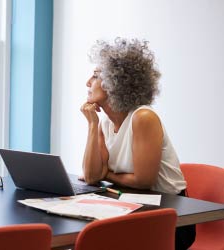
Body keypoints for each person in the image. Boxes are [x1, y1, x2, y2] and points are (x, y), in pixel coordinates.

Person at [80, 37, 195, 250]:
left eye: (95, 76)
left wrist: (106, 175)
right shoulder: (104, 122)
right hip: (132, 207)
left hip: (170, 218)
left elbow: (143, 181)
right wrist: (92, 125)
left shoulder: (143, 118)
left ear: (116, 82)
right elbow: (91, 176)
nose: (88, 82)